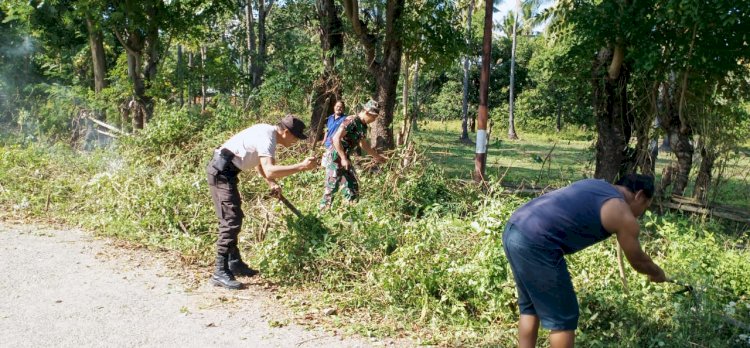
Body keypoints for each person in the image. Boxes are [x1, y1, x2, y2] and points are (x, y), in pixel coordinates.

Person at [502, 174, 667, 348]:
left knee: (530, 308)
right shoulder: (621, 212)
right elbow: (638, 260)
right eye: (645, 206)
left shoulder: (597, 185)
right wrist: (657, 273)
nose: (642, 213)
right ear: (639, 195)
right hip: (538, 242)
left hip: (514, 228)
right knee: (564, 318)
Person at [206, 115, 317, 289]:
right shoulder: (268, 138)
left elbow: (260, 163)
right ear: (286, 132)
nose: (296, 141)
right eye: (296, 137)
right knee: (231, 220)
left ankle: (234, 262)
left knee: (235, 216)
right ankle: (219, 271)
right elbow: (270, 170)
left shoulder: (268, 132)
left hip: (226, 171)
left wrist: (271, 182)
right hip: (221, 172)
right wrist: (301, 166)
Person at [319, 100, 386, 210]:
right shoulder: (351, 121)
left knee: (352, 185)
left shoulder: (363, 126)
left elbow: (363, 143)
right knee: (331, 186)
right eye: (373, 117)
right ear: (366, 112)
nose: (374, 120)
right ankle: (323, 211)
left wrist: (376, 157)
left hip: (344, 157)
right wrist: (343, 158)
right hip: (335, 156)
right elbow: (335, 139)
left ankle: (351, 212)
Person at [320, 100, 347, 168]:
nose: (338, 108)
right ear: (334, 107)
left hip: (336, 145)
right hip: (327, 144)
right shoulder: (330, 118)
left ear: (343, 109)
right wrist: (324, 139)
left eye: (341, 107)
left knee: (332, 166)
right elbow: (327, 129)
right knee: (324, 165)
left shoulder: (345, 119)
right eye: (337, 106)